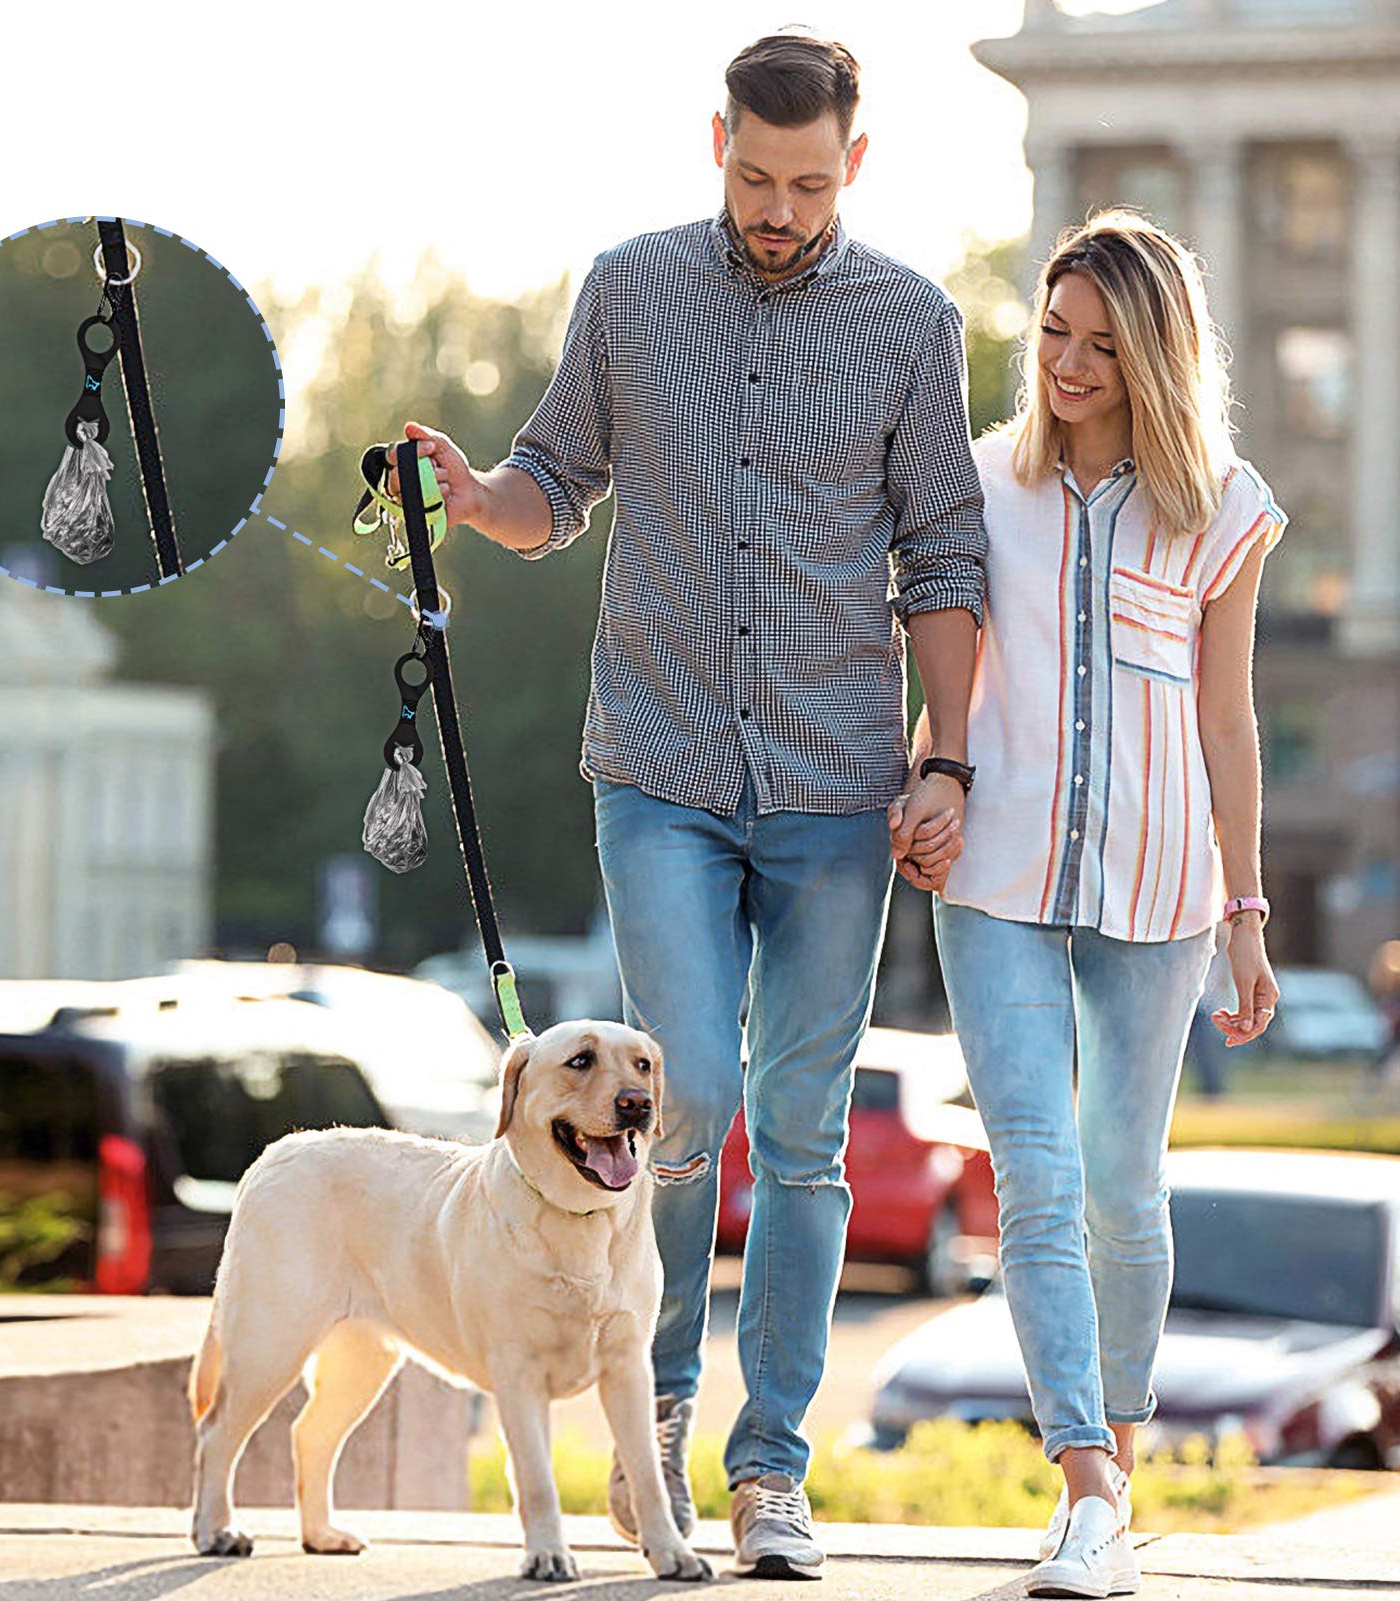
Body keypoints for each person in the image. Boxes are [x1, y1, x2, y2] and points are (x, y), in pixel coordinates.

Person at [391, 31, 985, 1580]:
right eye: (750, 175)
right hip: (655, 767)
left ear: (852, 163)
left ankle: (769, 1469)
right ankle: (648, 1418)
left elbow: (943, 557)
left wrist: (944, 755)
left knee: (799, 1126)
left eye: (805, 182)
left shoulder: (914, 322)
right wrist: (473, 495)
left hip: (835, 781)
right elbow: (549, 483)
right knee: (685, 1094)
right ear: (712, 139)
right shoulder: (629, 286)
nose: (775, 207)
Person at [891, 211, 1283, 1599]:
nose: (1063, 363)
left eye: (1100, 345)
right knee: (1035, 1182)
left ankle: (1114, 1481)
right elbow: (940, 649)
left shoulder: (1220, 506)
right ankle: (1085, 1483)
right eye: (1051, 332)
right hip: (991, 870)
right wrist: (926, 775)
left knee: (1123, 1184)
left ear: (1154, 358)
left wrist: (1243, 904)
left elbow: (1226, 721)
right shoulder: (978, 481)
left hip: (1164, 883)